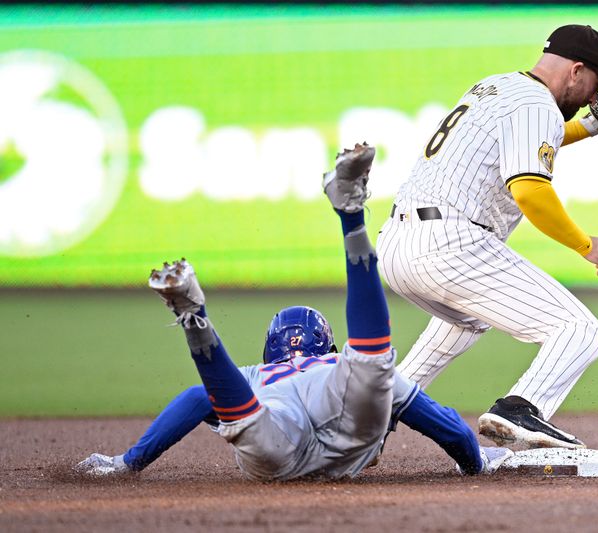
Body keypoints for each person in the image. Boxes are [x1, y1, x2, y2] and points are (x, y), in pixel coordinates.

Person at [76, 144, 513, 480]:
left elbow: (195, 399)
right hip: (346, 424)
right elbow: (450, 428)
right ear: (329, 345)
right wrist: (476, 463)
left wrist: (126, 463)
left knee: (246, 417)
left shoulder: (255, 375)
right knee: (371, 362)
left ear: (270, 352)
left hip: (275, 445)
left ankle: (194, 318)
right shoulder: (336, 365)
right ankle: (351, 216)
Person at [376, 24, 598, 450]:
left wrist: (593, 125)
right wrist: (588, 246)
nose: (593, 96)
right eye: (594, 85)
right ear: (576, 70)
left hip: (398, 244)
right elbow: (530, 190)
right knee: (579, 330)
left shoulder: (497, 87)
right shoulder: (539, 107)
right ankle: (521, 408)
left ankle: (376, 412)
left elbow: (534, 136)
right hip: (449, 243)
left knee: (466, 322)